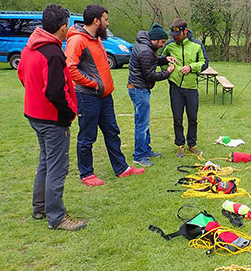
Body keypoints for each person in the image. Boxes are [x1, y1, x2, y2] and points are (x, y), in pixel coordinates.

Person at [17, 4, 86, 231]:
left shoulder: (30, 46)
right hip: (51, 119)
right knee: (57, 166)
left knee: (45, 162)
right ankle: (56, 217)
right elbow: (55, 91)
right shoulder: (53, 53)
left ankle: (40, 207)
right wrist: (68, 114)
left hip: (34, 115)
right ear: (63, 27)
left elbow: (23, 75)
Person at [65, 4, 144, 186]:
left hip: (104, 97)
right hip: (87, 97)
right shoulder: (78, 40)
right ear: (96, 20)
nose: (108, 23)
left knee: (112, 132)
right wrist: (93, 84)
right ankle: (86, 173)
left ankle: (121, 168)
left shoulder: (96, 39)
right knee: (87, 136)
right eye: (106, 19)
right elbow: (70, 68)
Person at [127, 23, 177, 166]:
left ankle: (146, 149)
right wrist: (167, 72)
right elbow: (150, 75)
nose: (162, 45)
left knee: (145, 122)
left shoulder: (145, 44)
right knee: (142, 124)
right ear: (154, 40)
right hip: (139, 89)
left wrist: (165, 58)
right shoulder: (146, 51)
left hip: (138, 87)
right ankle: (139, 155)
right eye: (161, 42)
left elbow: (151, 61)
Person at [160, 18, 206, 158]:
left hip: (191, 88)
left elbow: (204, 63)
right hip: (176, 88)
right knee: (177, 118)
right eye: (173, 36)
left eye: (177, 35)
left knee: (192, 118)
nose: (175, 38)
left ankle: (192, 144)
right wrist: (168, 71)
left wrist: (191, 67)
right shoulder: (169, 45)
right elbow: (161, 60)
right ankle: (180, 145)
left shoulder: (197, 44)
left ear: (185, 31)